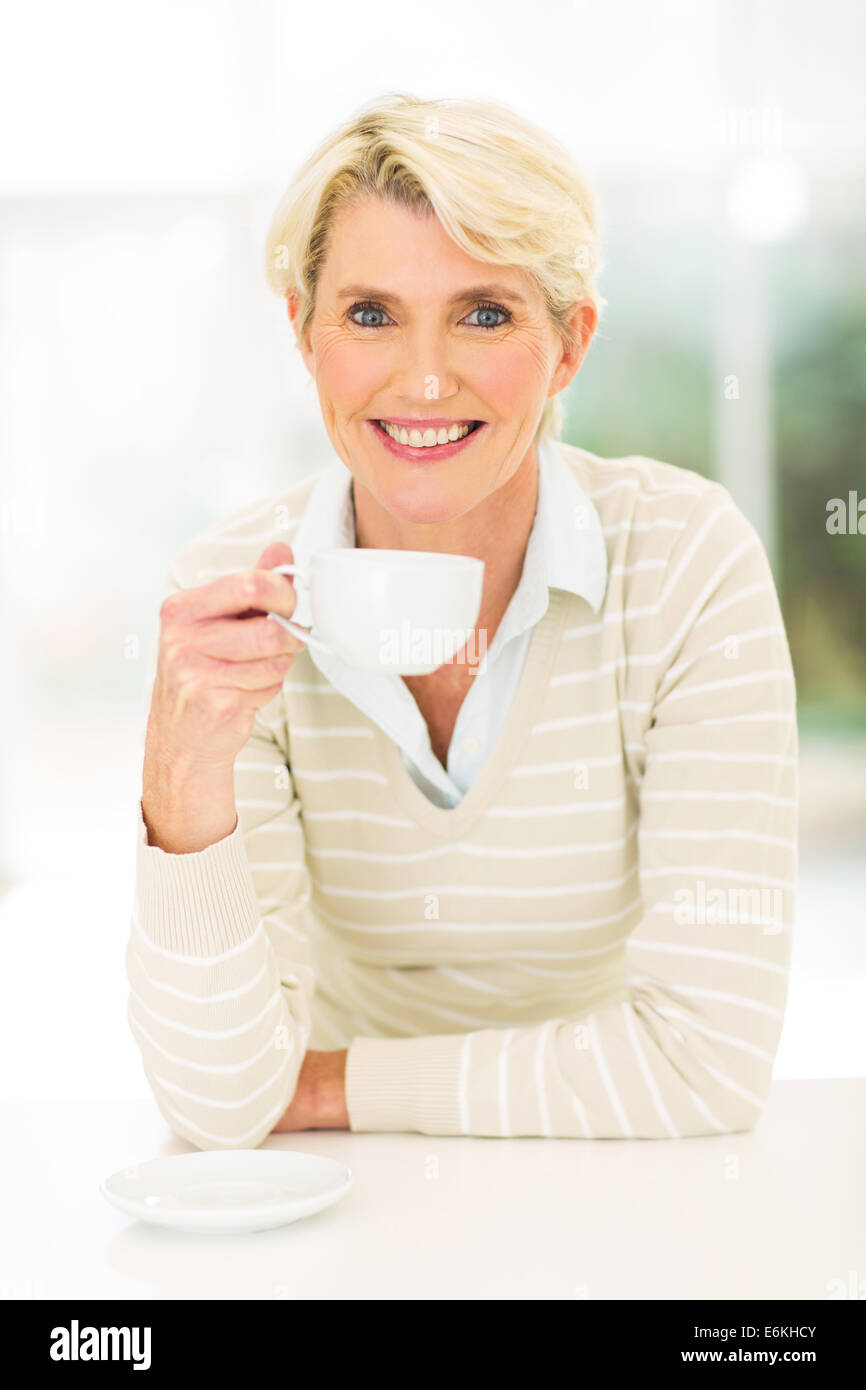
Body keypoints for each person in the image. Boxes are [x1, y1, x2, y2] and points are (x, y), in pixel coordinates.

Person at [127, 92, 797, 1147]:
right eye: (369, 313)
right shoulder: (230, 595)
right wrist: (180, 787)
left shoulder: (684, 565)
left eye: (483, 313)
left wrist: (324, 1090)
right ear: (305, 334)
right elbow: (218, 1105)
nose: (425, 377)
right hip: (352, 1212)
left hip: (623, 1189)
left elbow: (701, 1065)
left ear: (568, 343)